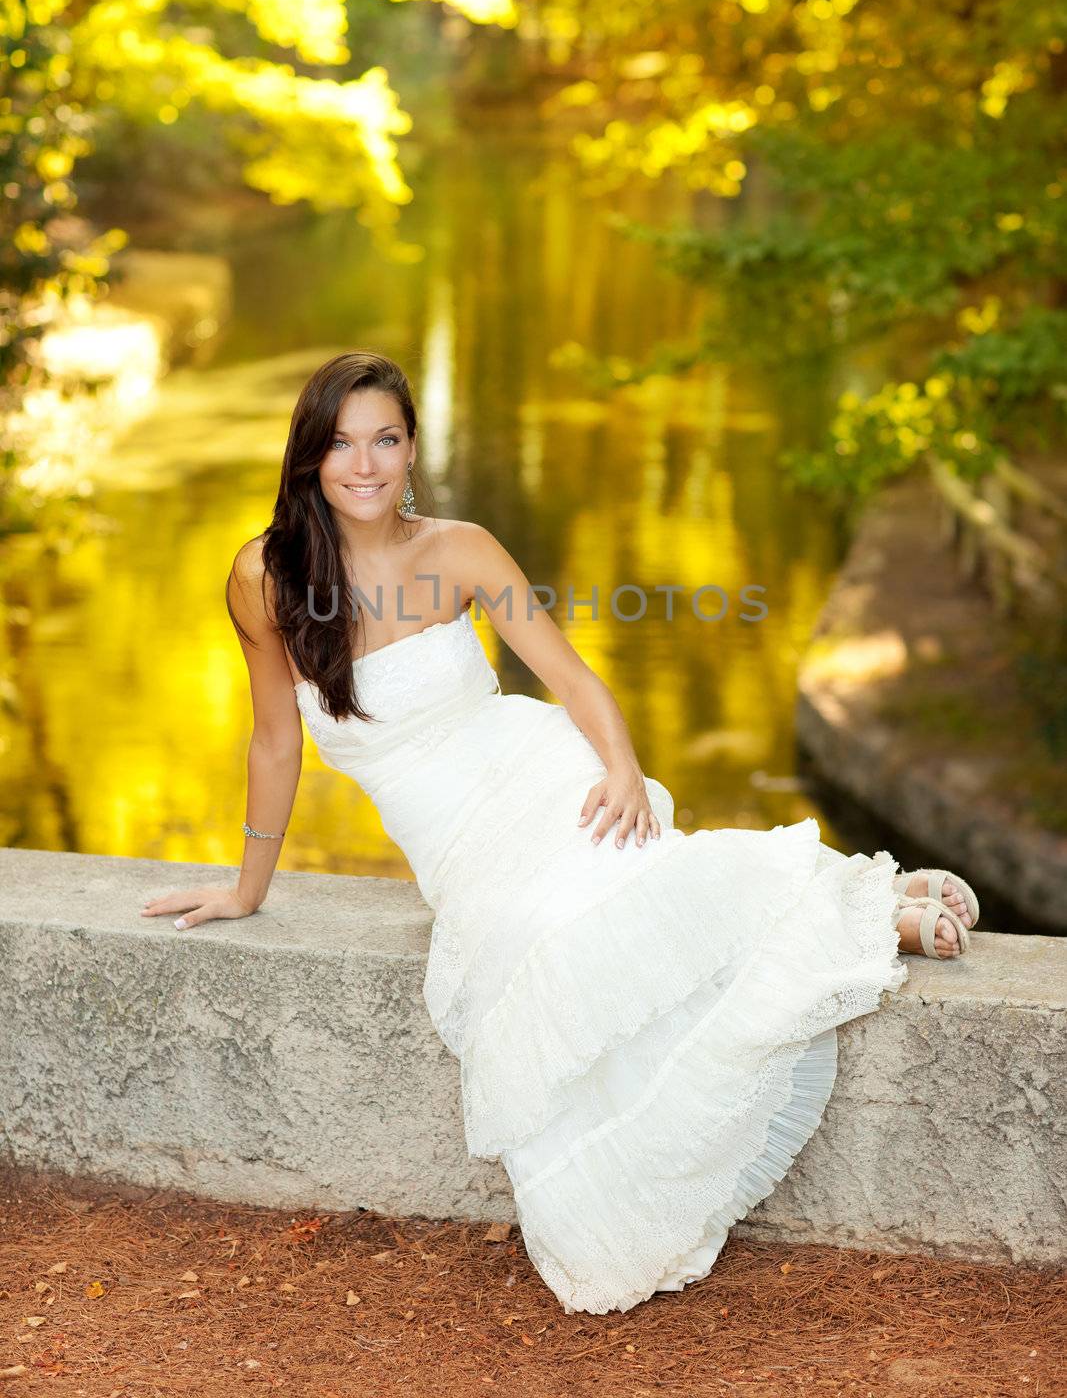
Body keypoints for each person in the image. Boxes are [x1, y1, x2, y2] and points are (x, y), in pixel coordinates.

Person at [141, 350, 980, 1316]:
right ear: (308, 458)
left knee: (633, 886)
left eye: (385, 440)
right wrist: (248, 888)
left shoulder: (460, 550)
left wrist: (619, 768)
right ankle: (870, 901)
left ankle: (871, 913)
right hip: (455, 839)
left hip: (538, 770)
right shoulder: (265, 577)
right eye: (340, 444)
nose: (363, 465)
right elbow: (275, 740)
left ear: (412, 451)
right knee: (535, 935)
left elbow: (570, 679)